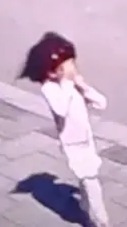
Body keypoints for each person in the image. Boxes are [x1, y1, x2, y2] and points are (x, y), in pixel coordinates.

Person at [18, 32, 110, 227]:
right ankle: (101, 221)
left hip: (86, 139)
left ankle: (86, 207)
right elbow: (61, 109)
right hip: (73, 144)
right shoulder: (50, 88)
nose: (73, 68)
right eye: (68, 65)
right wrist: (68, 84)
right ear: (54, 71)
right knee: (91, 180)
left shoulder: (72, 85)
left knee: (88, 179)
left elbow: (101, 103)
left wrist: (83, 86)